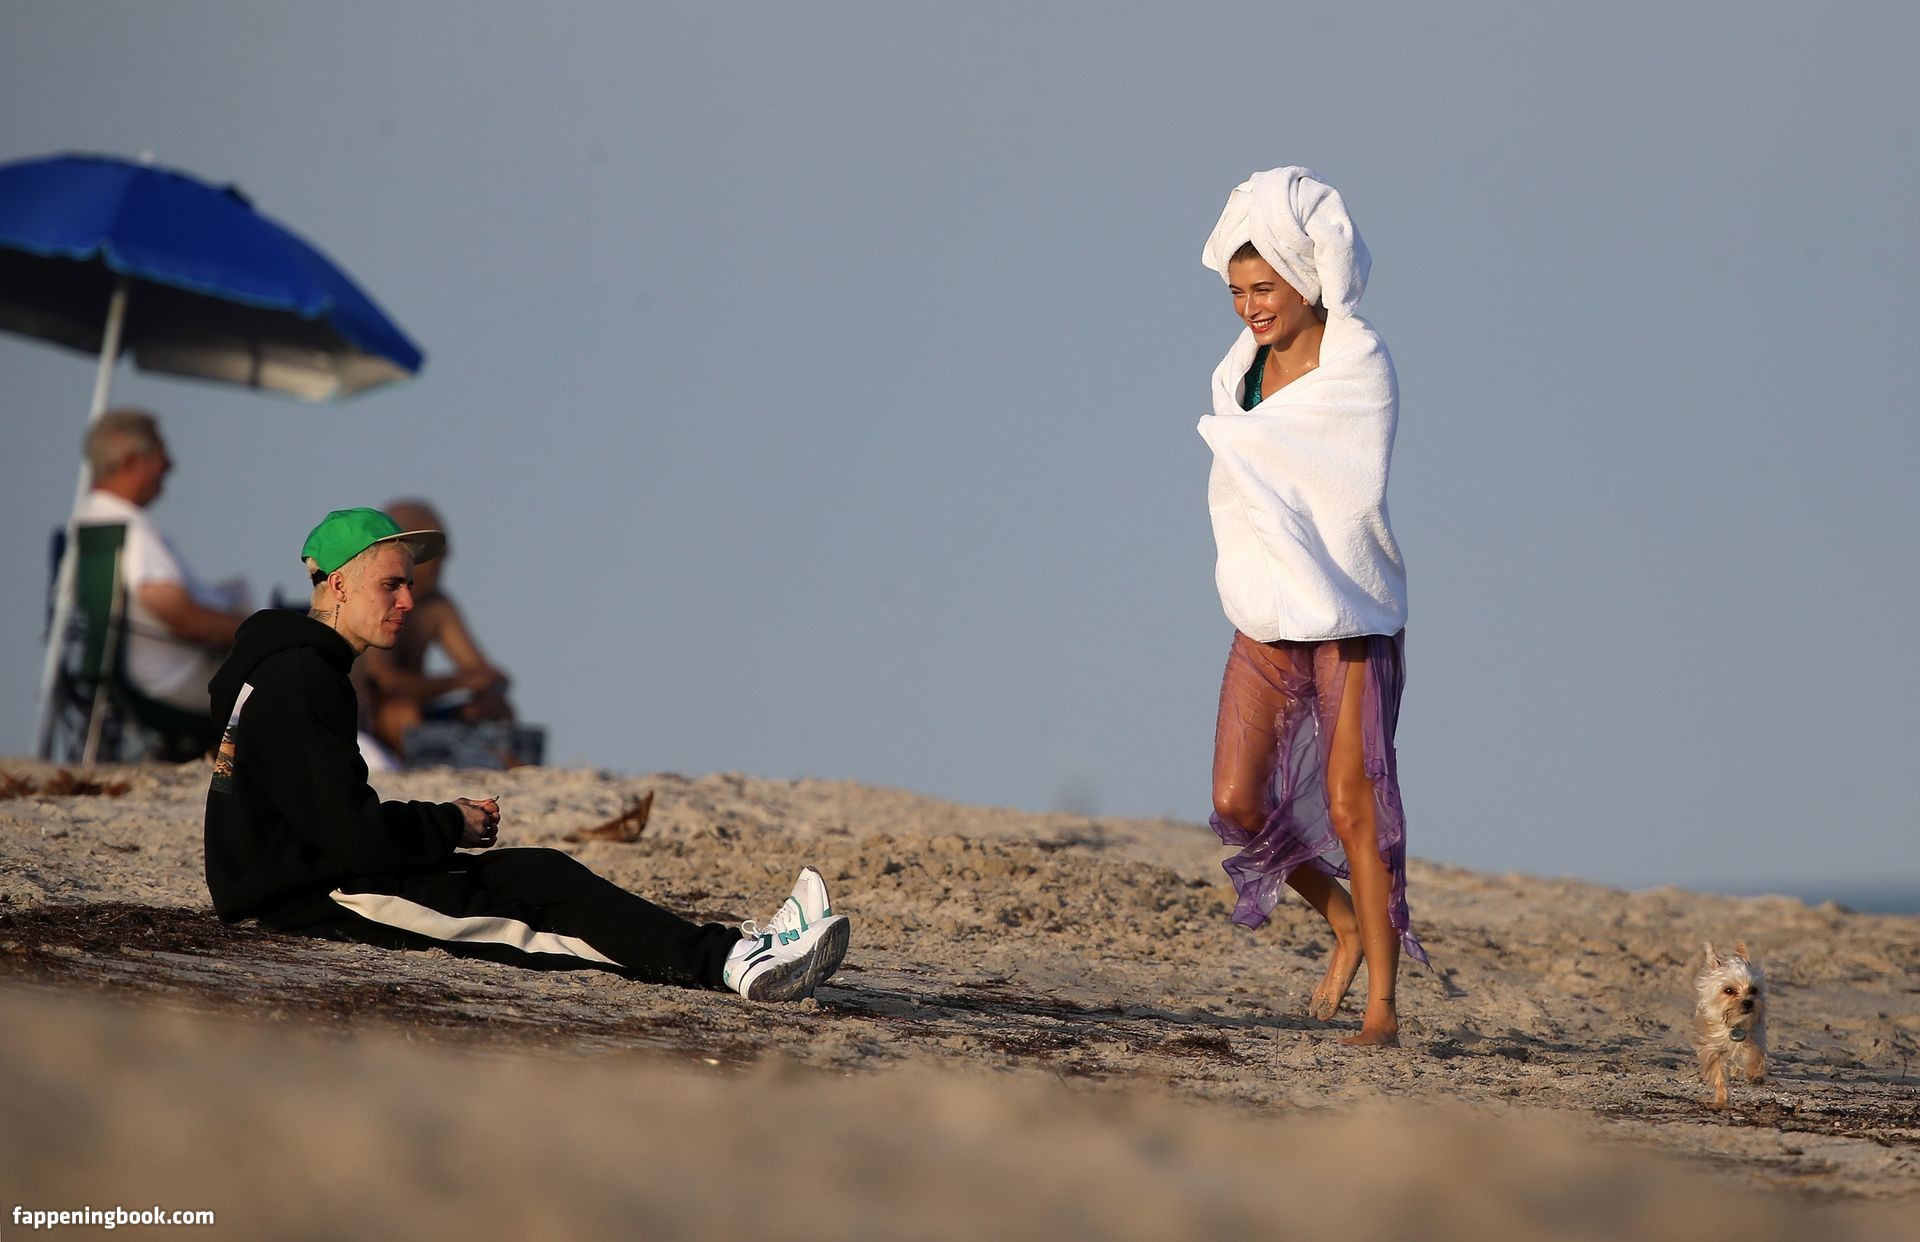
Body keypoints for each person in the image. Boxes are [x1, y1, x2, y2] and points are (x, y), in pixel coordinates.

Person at [203, 507, 849, 1002]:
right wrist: (449, 824)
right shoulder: (306, 677)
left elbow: (324, 816)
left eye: (410, 586)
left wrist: (441, 825)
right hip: (317, 897)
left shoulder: (285, 666)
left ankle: (740, 951)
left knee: (538, 874)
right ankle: (737, 964)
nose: (408, 602)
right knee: (538, 906)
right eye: (391, 585)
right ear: (340, 585)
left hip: (303, 881)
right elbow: (350, 836)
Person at [1196, 168, 1427, 1046]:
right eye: (1237, 292)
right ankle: (1341, 920)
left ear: (1303, 278)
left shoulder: (1355, 364)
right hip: (1266, 610)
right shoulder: (1237, 374)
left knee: (1352, 805)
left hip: (1347, 613)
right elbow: (1247, 481)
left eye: (1264, 288)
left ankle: (1383, 1008)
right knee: (1237, 801)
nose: (1250, 307)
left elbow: (1344, 477)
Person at [74, 409, 249, 721]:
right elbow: (181, 617)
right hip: (177, 680)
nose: (170, 466)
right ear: (131, 461)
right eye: (160, 455)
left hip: (150, 677)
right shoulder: (131, 532)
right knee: (302, 683)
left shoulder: (91, 523)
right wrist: (256, 631)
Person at [355, 499, 514, 761]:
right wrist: (459, 682)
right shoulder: (372, 602)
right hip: (375, 723)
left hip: (423, 712)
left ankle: (503, 766)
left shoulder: (436, 605)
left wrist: (485, 684)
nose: (447, 557)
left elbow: (480, 671)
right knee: (400, 711)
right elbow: (384, 681)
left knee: (494, 707)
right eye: (439, 549)